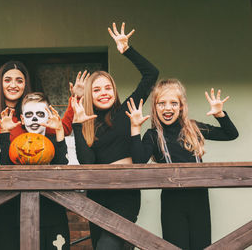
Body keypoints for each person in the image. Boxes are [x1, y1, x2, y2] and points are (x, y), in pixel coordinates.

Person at [0, 61, 78, 249]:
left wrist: (73, 101)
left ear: (25, 84)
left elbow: (57, 131)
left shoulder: (29, 115)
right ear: (0, 83)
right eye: (8, 80)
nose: (13, 85)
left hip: (13, 191)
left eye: (19, 80)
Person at [71, 22, 159, 249]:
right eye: (97, 89)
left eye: (107, 88)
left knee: (107, 246)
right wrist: (78, 125)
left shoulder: (125, 111)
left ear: (114, 91)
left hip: (124, 194)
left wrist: (127, 50)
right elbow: (87, 162)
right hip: (97, 198)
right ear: (90, 95)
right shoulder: (87, 124)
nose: (103, 93)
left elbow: (151, 74)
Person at [126, 79, 238, 250]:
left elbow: (231, 134)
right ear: (155, 107)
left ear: (181, 106)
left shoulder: (193, 128)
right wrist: (134, 127)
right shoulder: (152, 135)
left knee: (201, 245)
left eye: (173, 103)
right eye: (161, 103)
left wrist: (219, 114)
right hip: (172, 201)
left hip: (199, 198)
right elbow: (138, 161)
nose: (168, 108)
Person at [0, 92, 70, 250]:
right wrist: (4, 133)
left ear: (47, 117)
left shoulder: (54, 143)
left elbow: (62, 168)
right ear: (23, 119)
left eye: (40, 114)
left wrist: (59, 131)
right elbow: (3, 169)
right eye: (29, 114)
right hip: (20, 217)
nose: (35, 119)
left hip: (53, 216)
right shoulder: (16, 145)